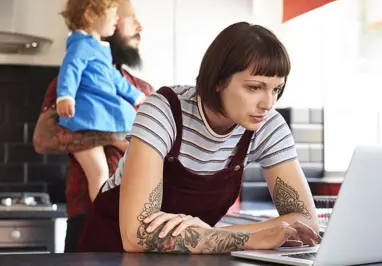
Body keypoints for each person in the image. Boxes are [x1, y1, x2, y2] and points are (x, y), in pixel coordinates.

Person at [76, 21, 322, 253]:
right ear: (217, 80)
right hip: (109, 254)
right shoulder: (164, 110)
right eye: (254, 87)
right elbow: (136, 235)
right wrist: (251, 237)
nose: (268, 103)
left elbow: (306, 224)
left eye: (276, 89)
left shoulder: (267, 126)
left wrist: (211, 235)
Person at [32, 0, 153, 252]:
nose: (139, 26)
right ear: (111, 21)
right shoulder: (71, 83)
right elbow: (43, 138)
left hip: (139, 222)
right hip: (87, 220)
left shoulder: (141, 89)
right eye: (129, 17)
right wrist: (113, 137)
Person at [57, 0, 146, 205]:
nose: (115, 19)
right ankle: (101, 213)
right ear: (89, 15)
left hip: (131, 218)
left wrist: (136, 96)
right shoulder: (80, 45)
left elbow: (114, 78)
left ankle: (113, 209)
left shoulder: (99, 50)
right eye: (114, 13)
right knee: (98, 173)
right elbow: (69, 70)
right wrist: (65, 95)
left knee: (138, 155)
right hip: (86, 121)